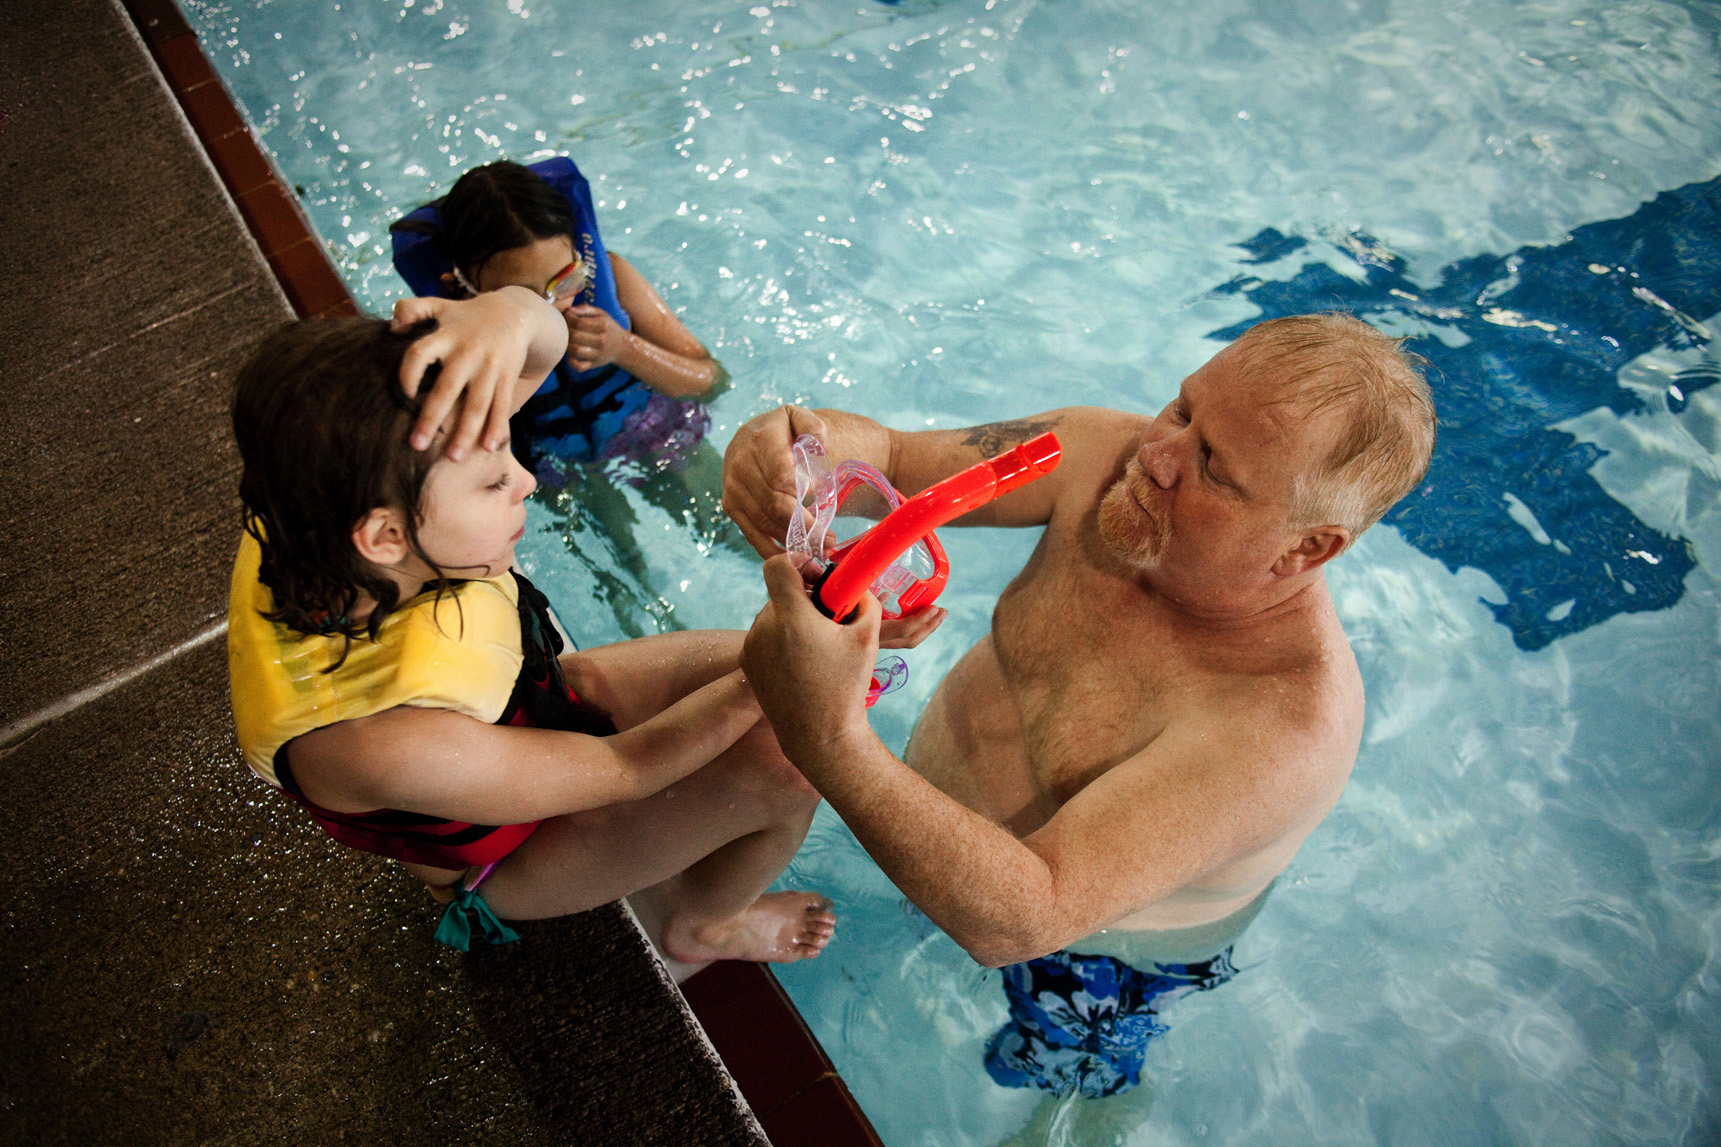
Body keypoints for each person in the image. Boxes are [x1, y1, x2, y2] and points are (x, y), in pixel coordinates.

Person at [724, 313, 1436, 1107]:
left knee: (1058, 1093)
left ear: (1306, 548)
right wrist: (798, 454)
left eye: (1212, 465)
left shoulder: (1281, 722)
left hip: (1098, 958)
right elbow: (890, 455)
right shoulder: (1098, 455)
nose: (1155, 455)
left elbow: (1026, 917)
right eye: (1182, 408)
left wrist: (826, 735)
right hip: (913, 819)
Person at [227, 285, 834, 966]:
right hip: (507, 860)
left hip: (532, 704)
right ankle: (705, 925)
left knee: (790, 697)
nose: (528, 483)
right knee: (792, 761)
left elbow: (543, 350)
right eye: (494, 483)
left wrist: (510, 316)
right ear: (386, 536)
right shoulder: (375, 739)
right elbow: (622, 768)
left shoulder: (347, 496)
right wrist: (766, 677)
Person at [392, 158, 743, 600]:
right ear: (462, 288)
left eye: (566, 279)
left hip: (652, 431)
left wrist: (625, 348)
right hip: (562, 470)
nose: (554, 305)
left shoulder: (612, 277)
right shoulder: (460, 344)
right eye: (522, 299)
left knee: (734, 525)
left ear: (580, 253)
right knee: (624, 574)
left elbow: (712, 381)